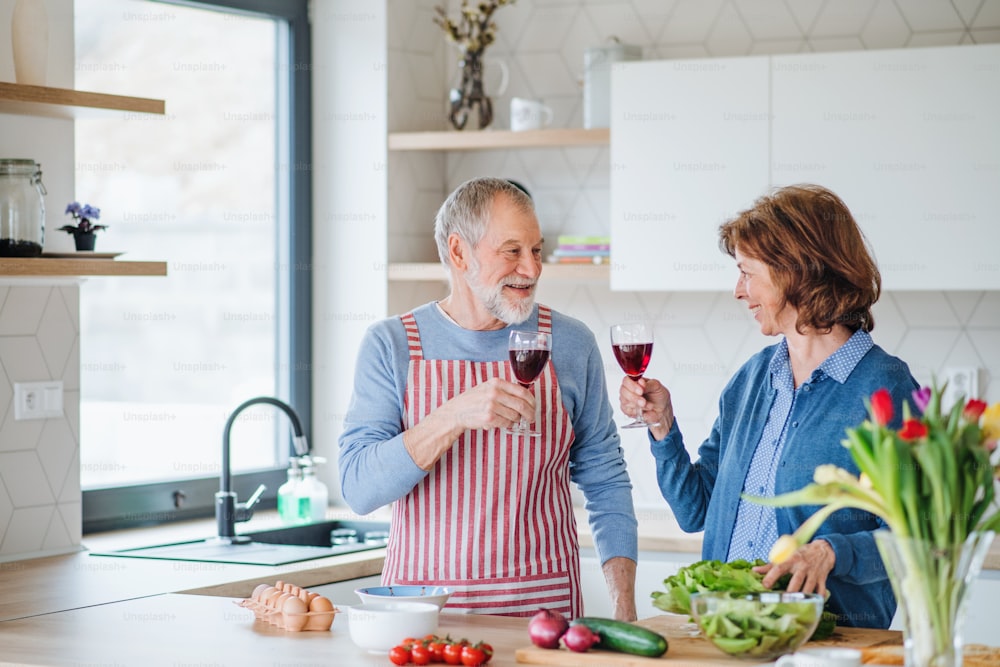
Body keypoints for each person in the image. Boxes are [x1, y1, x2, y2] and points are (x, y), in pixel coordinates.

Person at [339, 176, 638, 620]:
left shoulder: (571, 343)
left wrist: (624, 606)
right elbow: (359, 489)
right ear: (459, 253)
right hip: (424, 613)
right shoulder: (392, 344)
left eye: (536, 251)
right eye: (512, 251)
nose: (532, 270)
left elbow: (607, 481)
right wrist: (451, 416)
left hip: (543, 611)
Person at [619, 184, 916, 629]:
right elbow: (695, 510)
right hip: (729, 636)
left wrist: (831, 551)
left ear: (796, 271)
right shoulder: (752, 380)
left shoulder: (885, 390)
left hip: (824, 645)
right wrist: (662, 427)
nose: (739, 291)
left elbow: (920, 538)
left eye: (747, 272)